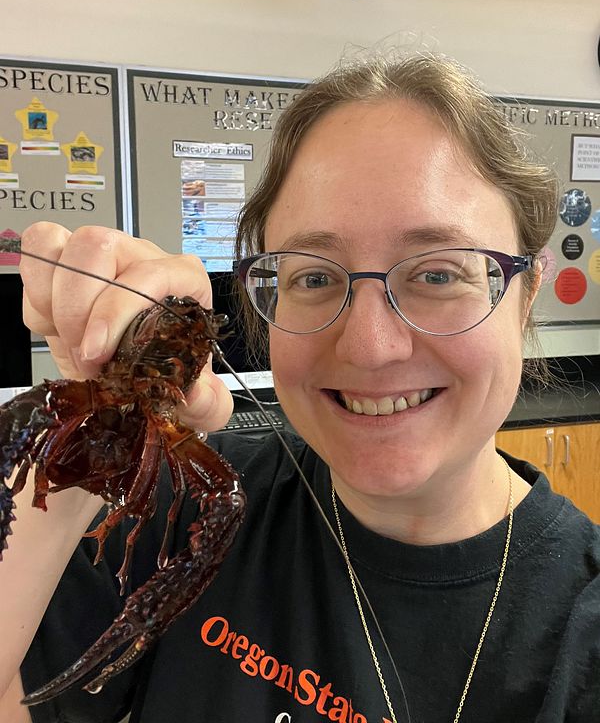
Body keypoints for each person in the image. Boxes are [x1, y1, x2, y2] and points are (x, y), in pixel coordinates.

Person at [1, 53, 599, 723]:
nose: (371, 348)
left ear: (525, 300)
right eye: (314, 277)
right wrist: (92, 436)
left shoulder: (583, 637)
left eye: (437, 274)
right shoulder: (189, 509)